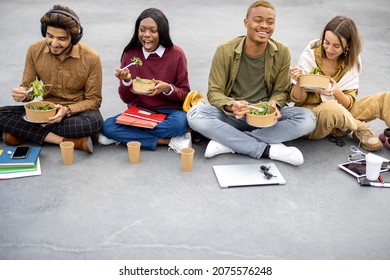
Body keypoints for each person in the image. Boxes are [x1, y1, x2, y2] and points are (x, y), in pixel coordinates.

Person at [186, 0, 316, 166]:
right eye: (258, 20)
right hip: (234, 115)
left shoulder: (282, 51)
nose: (264, 26)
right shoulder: (225, 50)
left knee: (308, 118)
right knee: (196, 113)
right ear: (246, 23)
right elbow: (214, 92)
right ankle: (268, 150)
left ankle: (228, 143)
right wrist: (231, 105)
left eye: (270, 22)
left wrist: (273, 105)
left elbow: (281, 91)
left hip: (266, 119)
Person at [0, 5, 103, 154]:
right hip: (45, 111)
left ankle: (21, 132)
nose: (54, 43)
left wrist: (67, 110)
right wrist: (23, 93)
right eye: (50, 36)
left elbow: (94, 100)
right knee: (1, 114)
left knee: (94, 123)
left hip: (74, 113)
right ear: (44, 32)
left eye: (62, 39)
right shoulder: (34, 50)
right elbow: (28, 88)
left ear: (74, 38)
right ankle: (68, 141)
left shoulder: (92, 58)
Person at [98, 8, 191, 152]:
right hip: (140, 111)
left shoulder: (176, 54)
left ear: (162, 32)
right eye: (142, 30)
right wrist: (127, 81)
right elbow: (126, 98)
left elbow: (185, 94)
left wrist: (167, 88)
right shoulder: (130, 54)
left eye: (153, 31)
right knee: (107, 126)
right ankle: (167, 141)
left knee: (180, 123)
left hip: (169, 113)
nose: (146, 35)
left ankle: (125, 137)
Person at [290, 16, 383, 151]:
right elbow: (297, 100)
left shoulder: (352, 61)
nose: (329, 49)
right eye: (326, 42)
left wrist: (337, 93)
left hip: (342, 121)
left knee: (384, 99)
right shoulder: (310, 54)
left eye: (336, 46)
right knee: (331, 107)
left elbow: (349, 103)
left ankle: (355, 126)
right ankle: (359, 127)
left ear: (348, 45)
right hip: (315, 120)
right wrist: (300, 81)